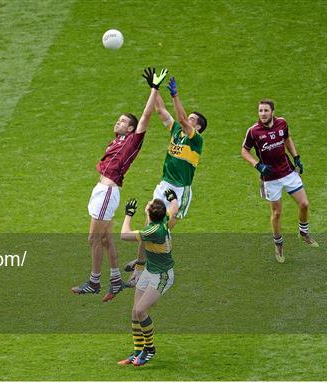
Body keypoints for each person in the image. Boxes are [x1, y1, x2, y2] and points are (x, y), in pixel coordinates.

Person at [71, 67, 169, 302]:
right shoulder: (116, 141)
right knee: (104, 239)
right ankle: (115, 281)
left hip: (107, 192)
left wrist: (154, 89)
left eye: (123, 121)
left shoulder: (133, 140)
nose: (119, 122)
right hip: (101, 192)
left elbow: (146, 116)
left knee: (93, 239)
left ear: (131, 129)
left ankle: (94, 282)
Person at [126, 76, 207, 286]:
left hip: (180, 192)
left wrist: (175, 95)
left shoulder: (196, 139)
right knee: (149, 225)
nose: (187, 120)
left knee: (163, 230)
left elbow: (180, 118)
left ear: (197, 127)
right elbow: (161, 110)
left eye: (192, 119)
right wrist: (155, 88)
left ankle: (156, 269)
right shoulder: (176, 132)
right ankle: (140, 266)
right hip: (164, 184)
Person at [241, 98, 319, 263]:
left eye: (266, 110)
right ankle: (278, 244)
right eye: (260, 111)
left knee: (304, 204)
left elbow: (287, 139)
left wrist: (296, 157)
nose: (262, 114)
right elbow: (244, 151)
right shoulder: (253, 132)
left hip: (288, 172)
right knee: (276, 213)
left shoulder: (282, 123)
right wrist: (257, 165)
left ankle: (303, 232)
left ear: (272, 112)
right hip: (270, 179)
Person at [117, 188, 179, 366]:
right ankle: (137, 352)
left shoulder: (153, 231)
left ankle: (150, 349)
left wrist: (128, 215)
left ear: (150, 214)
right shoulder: (163, 218)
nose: (148, 205)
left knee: (140, 311)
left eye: (149, 206)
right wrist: (172, 197)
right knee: (135, 312)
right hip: (150, 271)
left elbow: (123, 235)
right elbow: (174, 208)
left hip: (162, 276)